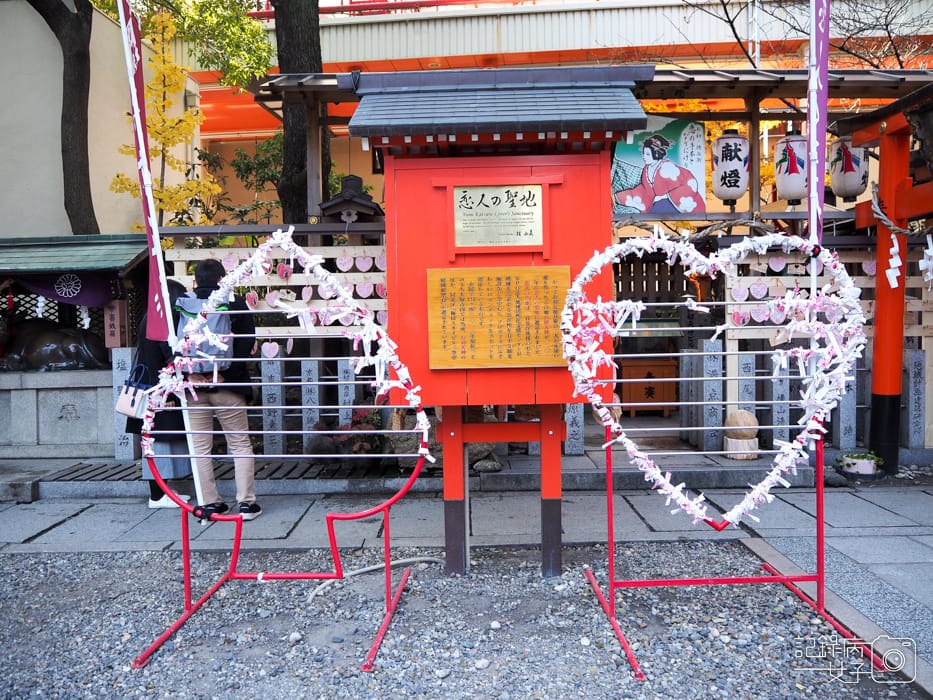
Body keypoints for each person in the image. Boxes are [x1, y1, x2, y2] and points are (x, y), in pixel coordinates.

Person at [181, 259, 261, 520]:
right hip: (228, 383)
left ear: (195, 280)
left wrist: (191, 373)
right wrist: (227, 372)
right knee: (239, 443)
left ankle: (209, 503)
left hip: (194, 385)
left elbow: (173, 342)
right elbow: (247, 341)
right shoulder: (236, 304)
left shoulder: (184, 303)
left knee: (200, 447)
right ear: (222, 279)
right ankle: (246, 503)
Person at [125, 279, 193, 509]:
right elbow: (170, 357)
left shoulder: (150, 319)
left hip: (147, 386)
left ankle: (163, 492)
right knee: (159, 442)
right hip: (160, 390)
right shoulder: (163, 324)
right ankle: (157, 496)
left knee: (153, 440)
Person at [614, 133, 705, 215]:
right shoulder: (647, 169)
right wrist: (621, 197)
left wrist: (658, 195)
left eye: (648, 154)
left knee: (656, 209)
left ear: (656, 154)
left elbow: (659, 191)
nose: (644, 157)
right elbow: (644, 191)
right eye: (644, 153)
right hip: (662, 200)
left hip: (678, 198)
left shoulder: (667, 167)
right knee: (654, 209)